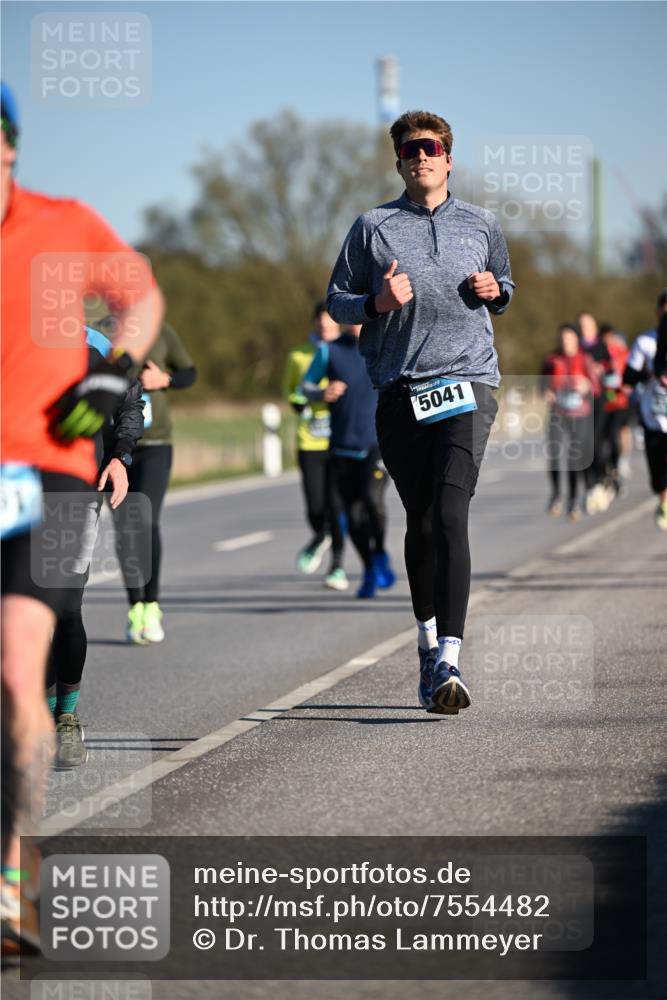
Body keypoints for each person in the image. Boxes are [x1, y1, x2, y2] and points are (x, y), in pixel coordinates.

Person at [0, 81, 162, 954]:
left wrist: (113, 382)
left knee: (18, 660)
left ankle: (11, 879)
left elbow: (141, 301)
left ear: (10, 144)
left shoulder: (65, 229)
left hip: (52, 475)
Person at [327, 109, 514, 714]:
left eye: (431, 147)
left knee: (452, 513)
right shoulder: (372, 226)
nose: (421, 156)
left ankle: (451, 663)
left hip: (468, 384)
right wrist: (375, 301)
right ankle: (427, 642)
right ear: (399, 161)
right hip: (400, 389)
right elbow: (337, 301)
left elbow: (505, 286)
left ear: (449, 157)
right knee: (423, 520)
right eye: (410, 150)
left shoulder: (481, 223)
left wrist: (496, 292)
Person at [46, 327, 144, 769]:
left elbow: (130, 404)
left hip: (74, 489)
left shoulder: (98, 347)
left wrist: (120, 457)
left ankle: (64, 716)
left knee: (64, 606)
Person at [104, 319, 197, 643]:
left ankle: (152, 603)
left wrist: (164, 379)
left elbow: (190, 373)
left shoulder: (161, 331)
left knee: (146, 520)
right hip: (113, 449)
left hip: (155, 444)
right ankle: (135, 607)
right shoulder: (101, 333)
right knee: (125, 527)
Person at [302, 323, 396, 598]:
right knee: (352, 515)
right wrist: (320, 393)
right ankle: (368, 568)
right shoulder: (328, 351)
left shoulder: (387, 343)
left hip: (379, 444)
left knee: (371, 498)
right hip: (342, 446)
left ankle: (379, 552)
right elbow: (305, 385)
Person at [283, 302, 345, 584]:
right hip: (310, 439)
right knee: (314, 506)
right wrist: (308, 400)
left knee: (337, 504)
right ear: (314, 324)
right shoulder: (299, 356)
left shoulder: (349, 352)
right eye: (321, 324)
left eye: (330, 325)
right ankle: (321, 534)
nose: (325, 329)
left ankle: (337, 566)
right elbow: (292, 391)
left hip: (342, 437)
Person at [540, 324, 598, 521]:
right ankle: (556, 494)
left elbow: (596, 386)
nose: (565, 343)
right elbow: (541, 384)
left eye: (569, 339)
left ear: (576, 340)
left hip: (579, 414)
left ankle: (573, 500)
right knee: (555, 454)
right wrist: (546, 392)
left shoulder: (585, 359)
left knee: (574, 459)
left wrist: (587, 385)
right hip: (557, 412)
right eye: (562, 339)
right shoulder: (551, 360)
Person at [624, 292, 667, 530]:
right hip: (654, 415)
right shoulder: (645, 342)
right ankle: (663, 499)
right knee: (658, 472)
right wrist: (650, 373)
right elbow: (627, 377)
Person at [597, 323, 630, 496]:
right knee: (602, 439)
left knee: (614, 434)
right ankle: (607, 472)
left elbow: (631, 372)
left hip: (620, 401)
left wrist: (628, 384)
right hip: (604, 401)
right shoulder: (599, 353)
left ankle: (617, 465)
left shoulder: (622, 352)